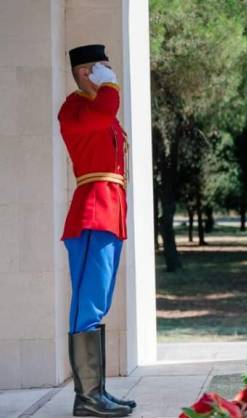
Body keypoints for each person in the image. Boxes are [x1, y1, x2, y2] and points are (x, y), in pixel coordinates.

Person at [58, 44, 135, 417]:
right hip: (91, 213)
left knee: (99, 300)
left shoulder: (96, 106)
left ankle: (97, 392)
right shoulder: (74, 109)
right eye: (103, 66)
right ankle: (87, 398)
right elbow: (105, 112)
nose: (109, 71)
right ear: (85, 72)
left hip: (109, 212)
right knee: (87, 303)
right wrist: (110, 86)